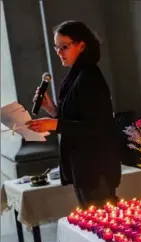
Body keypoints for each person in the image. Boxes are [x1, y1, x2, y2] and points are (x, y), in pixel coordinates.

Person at [27, 21, 121, 209]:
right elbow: (77, 118)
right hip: (83, 168)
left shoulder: (90, 76)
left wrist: (53, 125)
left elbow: (96, 126)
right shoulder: (77, 75)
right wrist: (52, 110)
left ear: (82, 46)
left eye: (64, 47)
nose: (59, 52)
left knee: (102, 228)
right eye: (57, 48)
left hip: (96, 169)